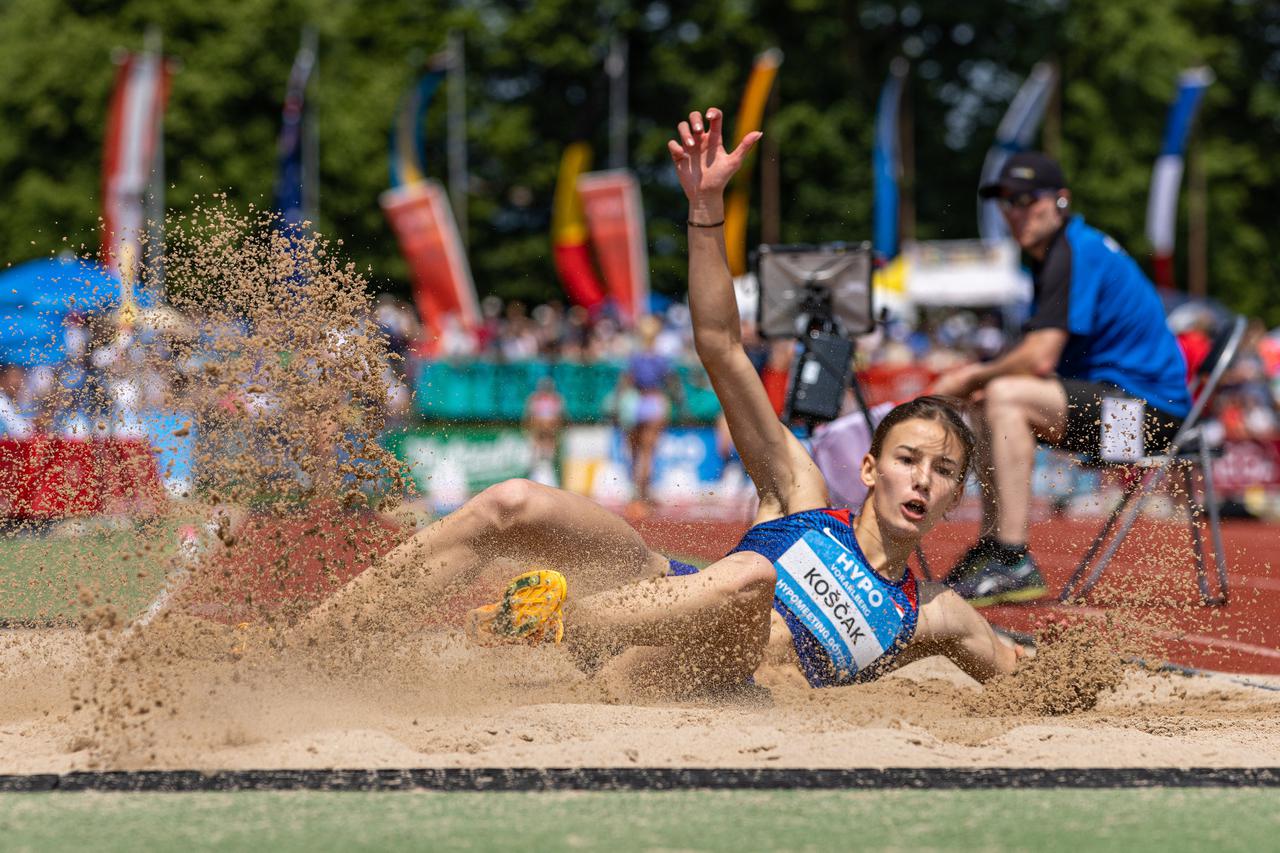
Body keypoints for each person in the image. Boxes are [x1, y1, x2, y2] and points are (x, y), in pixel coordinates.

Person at [301, 107, 1024, 694]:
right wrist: (704, 211)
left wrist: (1081, 671)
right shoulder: (803, 494)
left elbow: (1028, 680)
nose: (923, 478)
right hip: (655, 594)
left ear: (959, 491)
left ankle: (558, 621)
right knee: (515, 501)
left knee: (752, 575)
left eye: (944, 470)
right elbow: (718, 344)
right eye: (908, 458)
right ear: (870, 468)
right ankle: (308, 643)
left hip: (710, 674)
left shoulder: (935, 613)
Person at [931, 151, 1191, 606]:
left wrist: (967, 374)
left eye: (1028, 198)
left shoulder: (1075, 250)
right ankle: (994, 547)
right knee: (988, 398)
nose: (1015, 211)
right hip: (1125, 408)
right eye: (1007, 201)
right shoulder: (1057, 253)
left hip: (1149, 422)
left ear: (1061, 201)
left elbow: (1040, 356)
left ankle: (1011, 557)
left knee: (1004, 395)